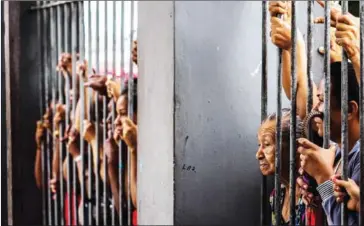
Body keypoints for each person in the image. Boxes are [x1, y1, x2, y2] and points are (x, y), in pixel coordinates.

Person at [270, 1, 361, 225]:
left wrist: (323, 178)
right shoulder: (336, 150)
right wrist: (293, 43)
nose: (316, 109)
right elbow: (300, 90)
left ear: (350, 110)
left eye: (322, 100)